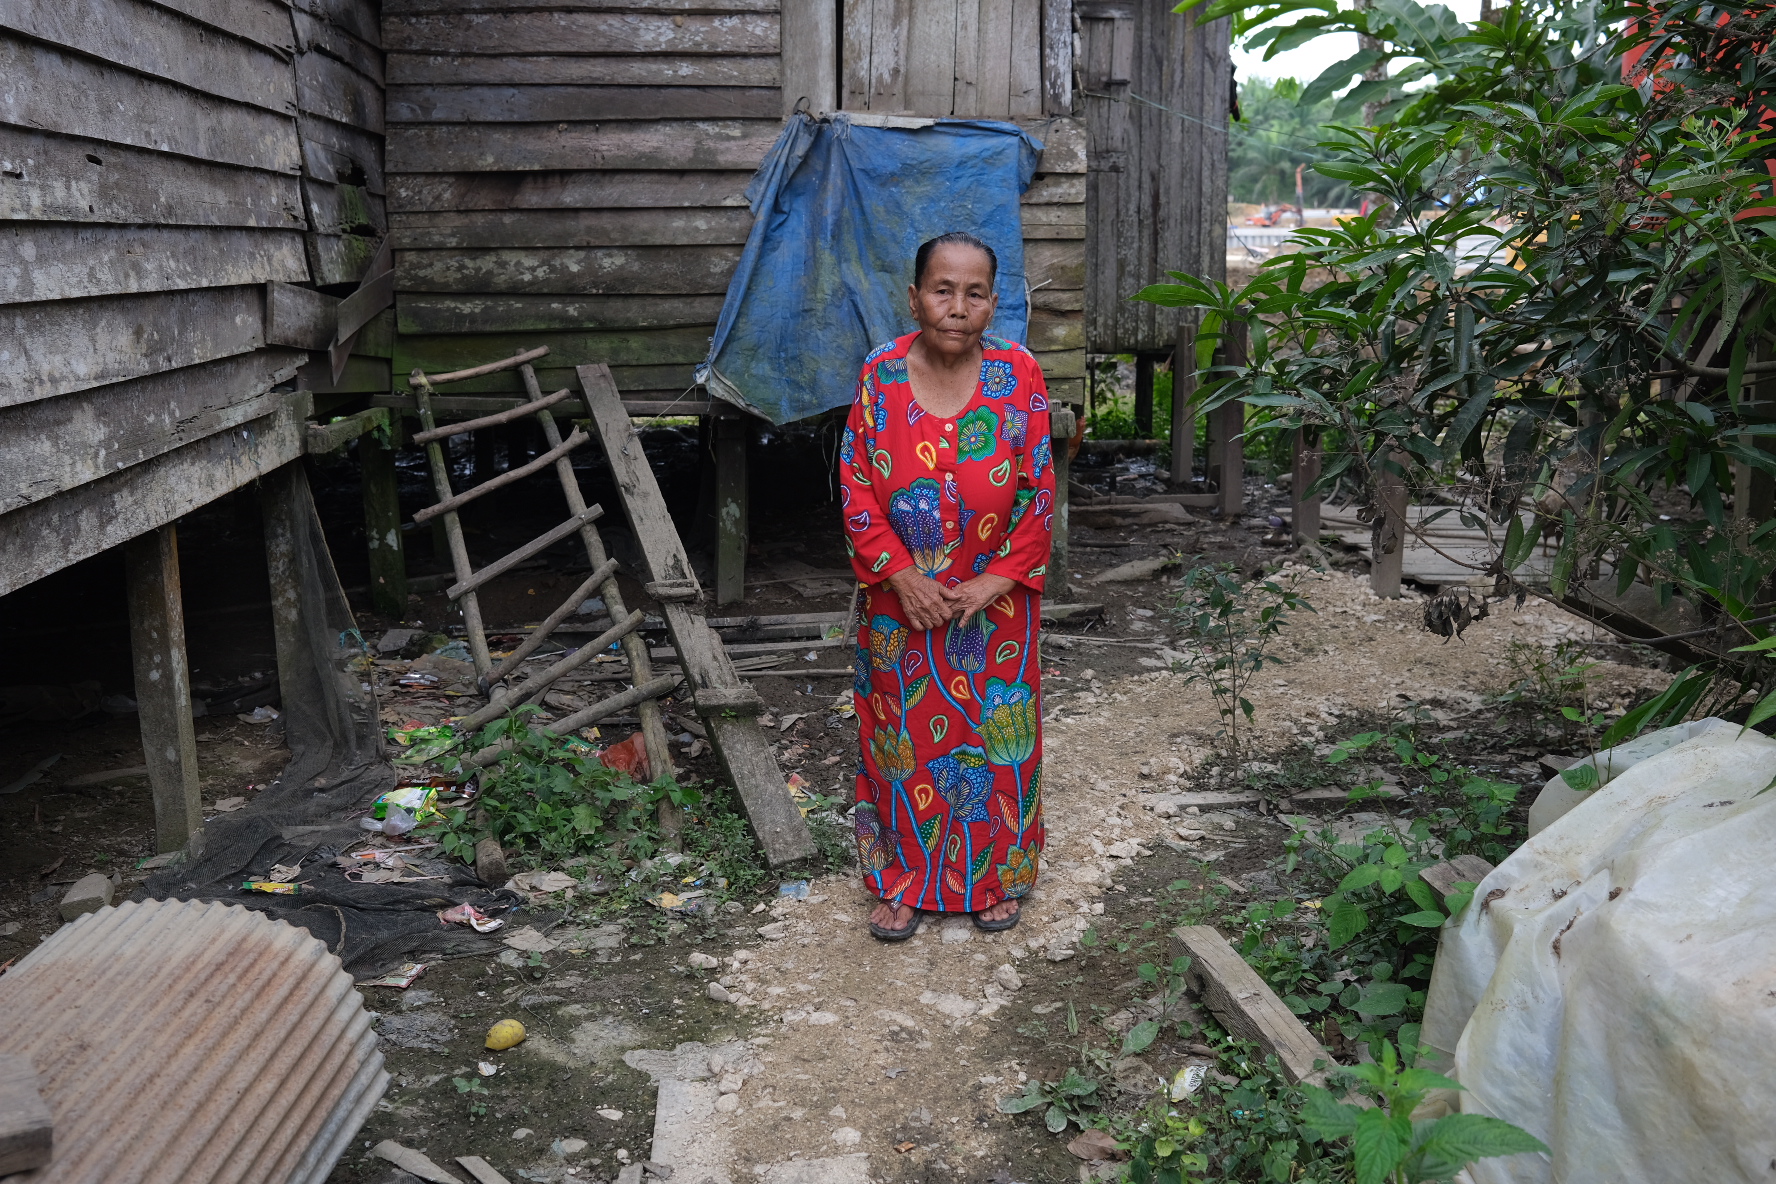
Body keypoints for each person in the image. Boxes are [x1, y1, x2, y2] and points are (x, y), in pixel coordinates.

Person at [838, 231, 1056, 941]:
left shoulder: (1019, 375)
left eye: (974, 292)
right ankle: (902, 881)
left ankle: (993, 876)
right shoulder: (881, 376)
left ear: (993, 304)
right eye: (942, 289)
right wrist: (904, 577)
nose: (956, 306)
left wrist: (994, 581)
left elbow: (1038, 492)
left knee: (998, 735)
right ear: (914, 297)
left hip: (997, 603)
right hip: (899, 604)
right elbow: (856, 487)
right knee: (899, 737)